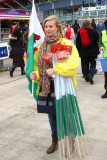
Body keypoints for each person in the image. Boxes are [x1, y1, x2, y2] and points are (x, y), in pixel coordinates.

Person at [30, 15, 79, 154]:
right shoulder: (42, 46)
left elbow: (73, 64)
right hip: (47, 86)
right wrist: (36, 75)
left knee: (66, 114)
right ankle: (55, 140)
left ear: (58, 27)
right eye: (46, 26)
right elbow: (39, 67)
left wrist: (56, 69)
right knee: (51, 115)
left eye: (51, 26)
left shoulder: (67, 44)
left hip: (64, 86)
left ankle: (69, 140)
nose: (47, 29)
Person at [76, 20, 99, 84]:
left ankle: (86, 78)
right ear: (89, 24)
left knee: (85, 65)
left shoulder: (80, 31)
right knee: (93, 64)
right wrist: (97, 50)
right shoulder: (94, 31)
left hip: (83, 52)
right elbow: (97, 41)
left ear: (83, 25)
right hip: (93, 51)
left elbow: (77, 43)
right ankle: (91, 74)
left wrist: (79, 50)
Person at [100, 19, 107, 98]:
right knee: (106, 76)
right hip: (106, 58)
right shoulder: (102, 33)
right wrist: (100, 46)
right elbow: (99, 42)